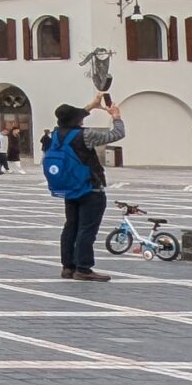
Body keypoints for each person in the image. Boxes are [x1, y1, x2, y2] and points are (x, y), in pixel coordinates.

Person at [44, 96, 125, 283]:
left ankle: (68, 267)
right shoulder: (85, 135)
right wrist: (116, 116)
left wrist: (91, 106)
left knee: (70, 227)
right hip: (90, 189)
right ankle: (83, 268)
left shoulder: (56, 134)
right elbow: (117, 134)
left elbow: (71, 119)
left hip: (69, 188)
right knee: (87, 230)